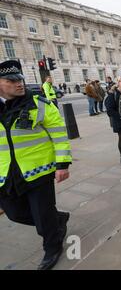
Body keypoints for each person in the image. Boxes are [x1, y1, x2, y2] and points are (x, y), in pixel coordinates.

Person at [0, 60, 72, 270]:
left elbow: (59, 135)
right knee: (14, 213)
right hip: (6, 173)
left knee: (42, 216)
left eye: (20, 79)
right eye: (11, 80)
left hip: (38, 169)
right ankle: (57, 219)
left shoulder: (39, 103)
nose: (19, 84)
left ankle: (52, 247)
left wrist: (62, 164)